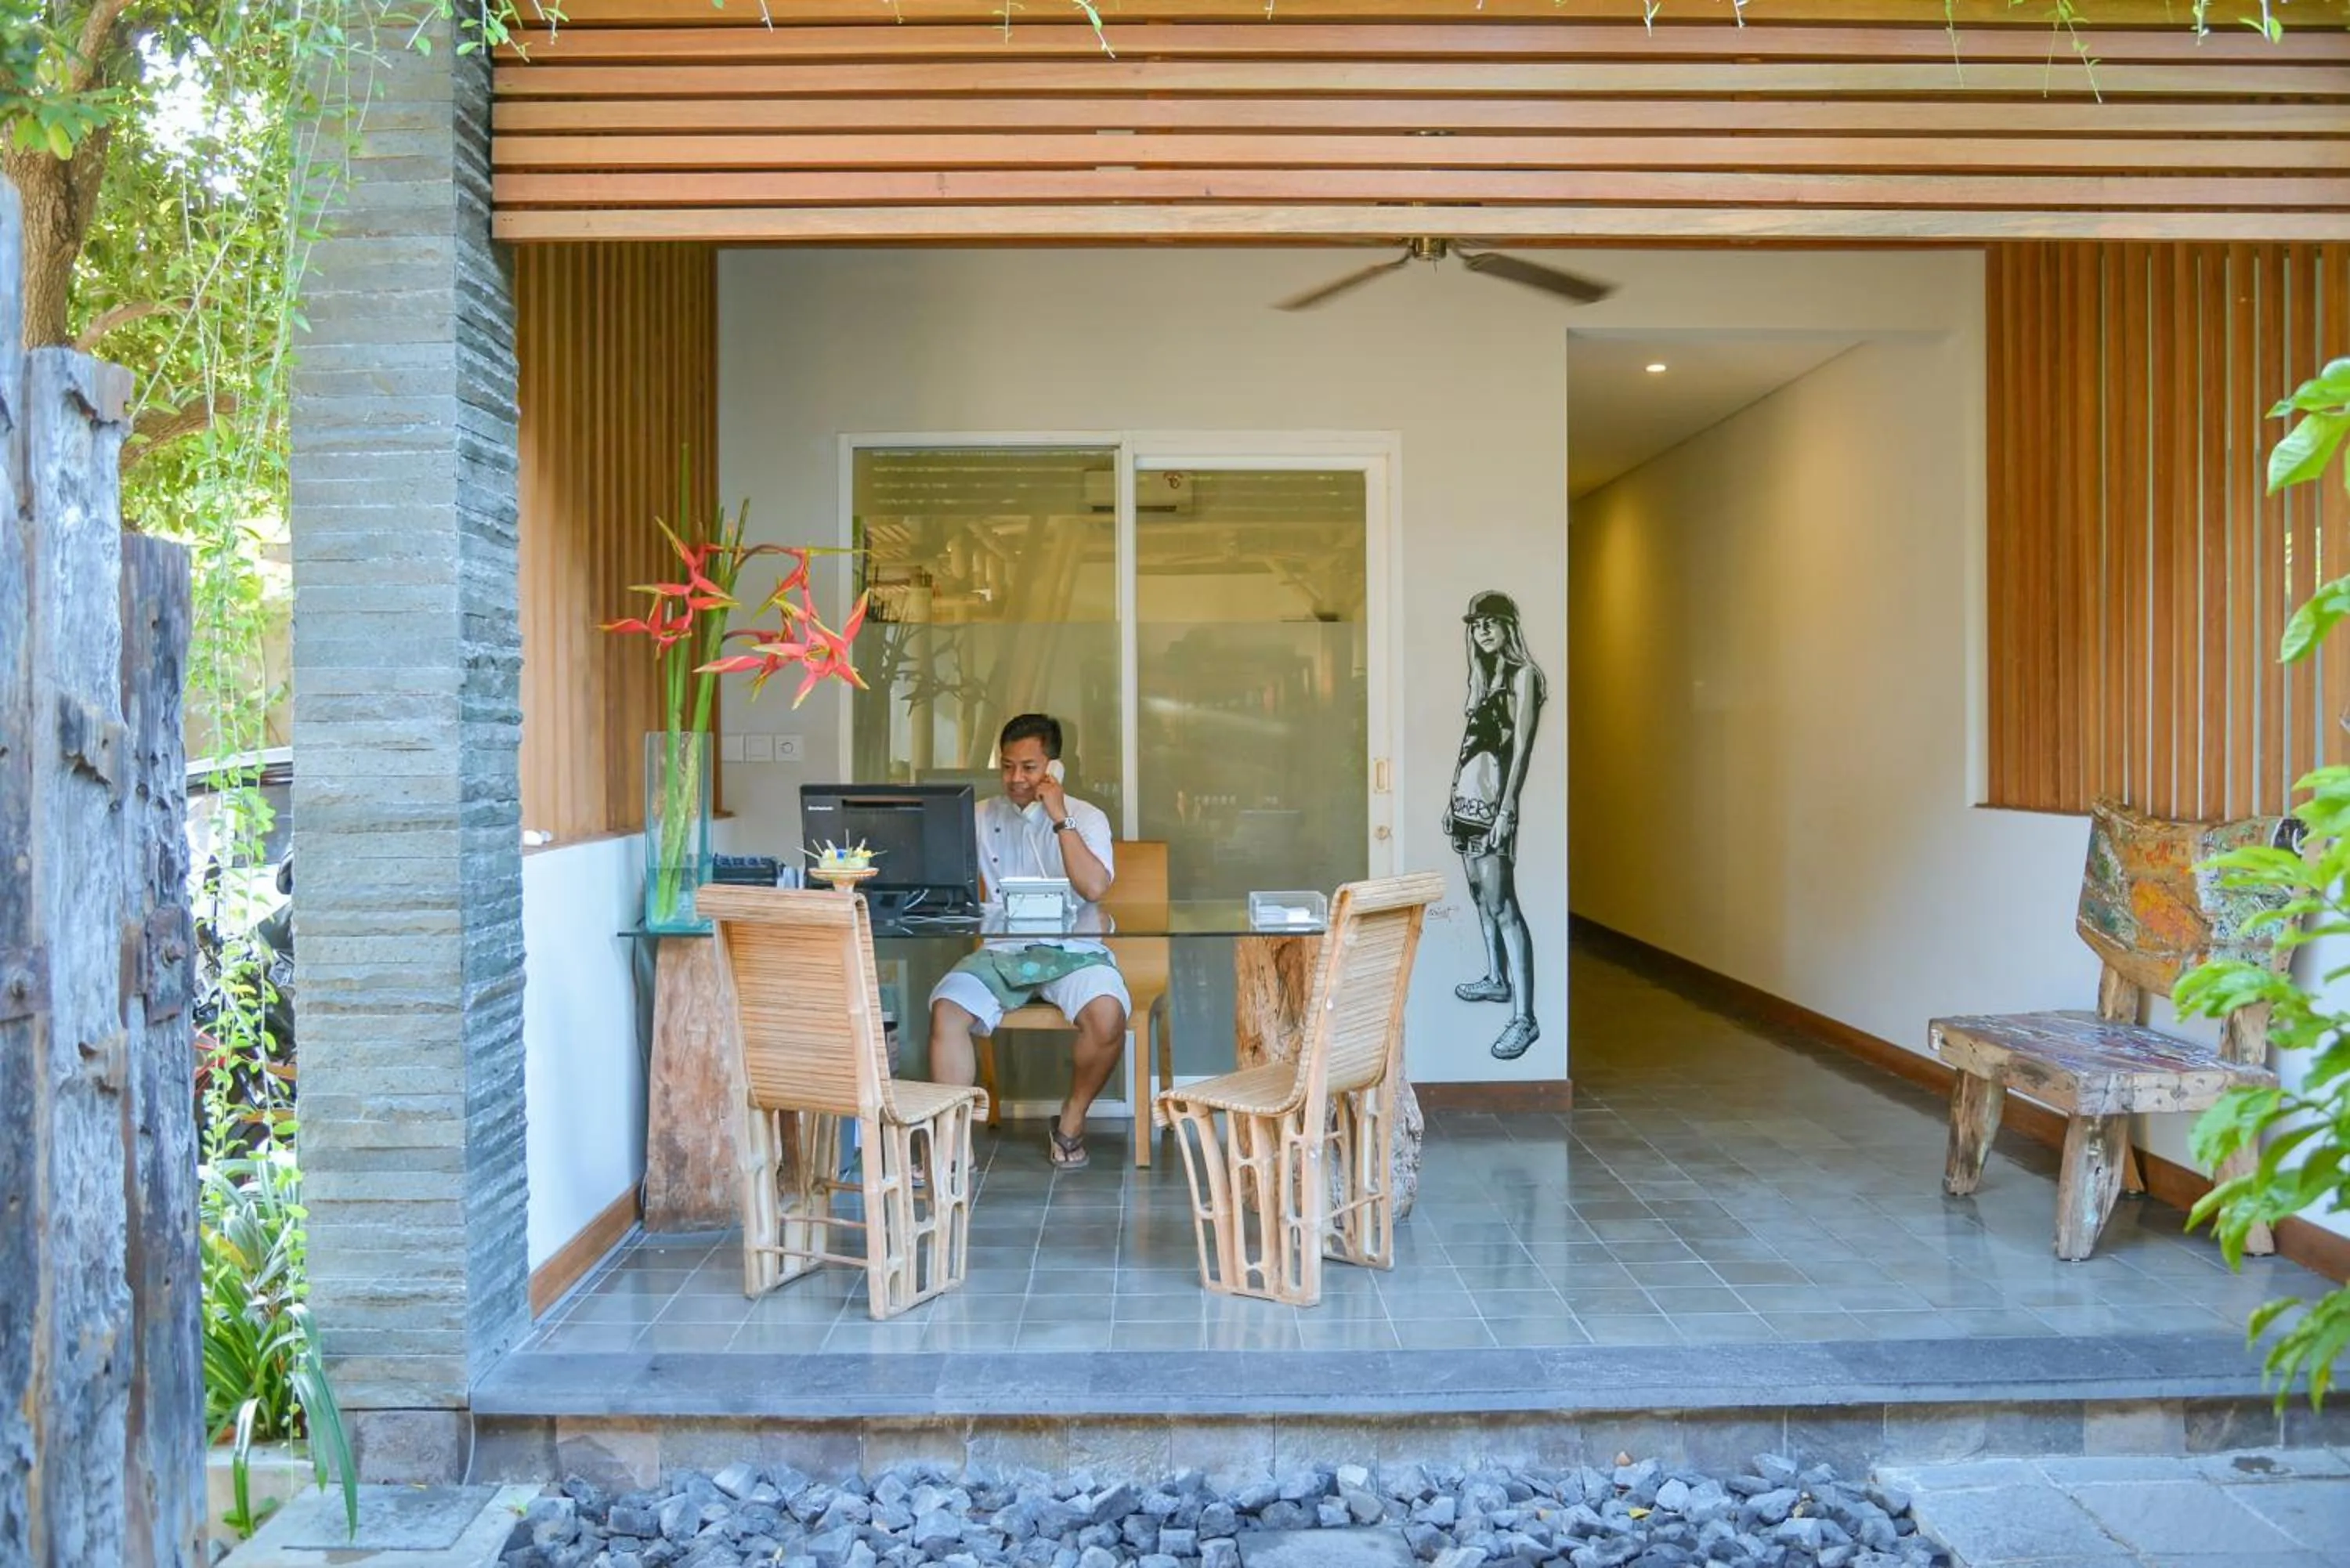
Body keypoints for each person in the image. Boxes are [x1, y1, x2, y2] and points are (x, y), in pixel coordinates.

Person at [927, 713, 1128, 1170]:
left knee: (1108, 1017)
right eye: (1008, 766)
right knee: (948, 1010)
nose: (1016, 779)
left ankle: (1071, 1122)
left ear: (1054, 769)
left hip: (1073, 952)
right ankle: (954, 1145)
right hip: (1001, 952)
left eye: (1030, 767)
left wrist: (1060, 820)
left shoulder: (1088, 818)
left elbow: (1095, 889)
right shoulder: (977, 816)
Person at [1443, 591, 1547, 1061]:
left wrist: (1506, 810)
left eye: (1490, 622)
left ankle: (1525, 1018)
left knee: (1504, 903)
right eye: (1476, 624)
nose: (1482, 630)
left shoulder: (1525, 677)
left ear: (1508, 626)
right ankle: (1496, 978)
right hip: (1468, 804)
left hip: (1494, 808)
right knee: (1480, 897)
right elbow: (1470, 748)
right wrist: (1452, 797)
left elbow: (1520, 748)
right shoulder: (1482, 681)